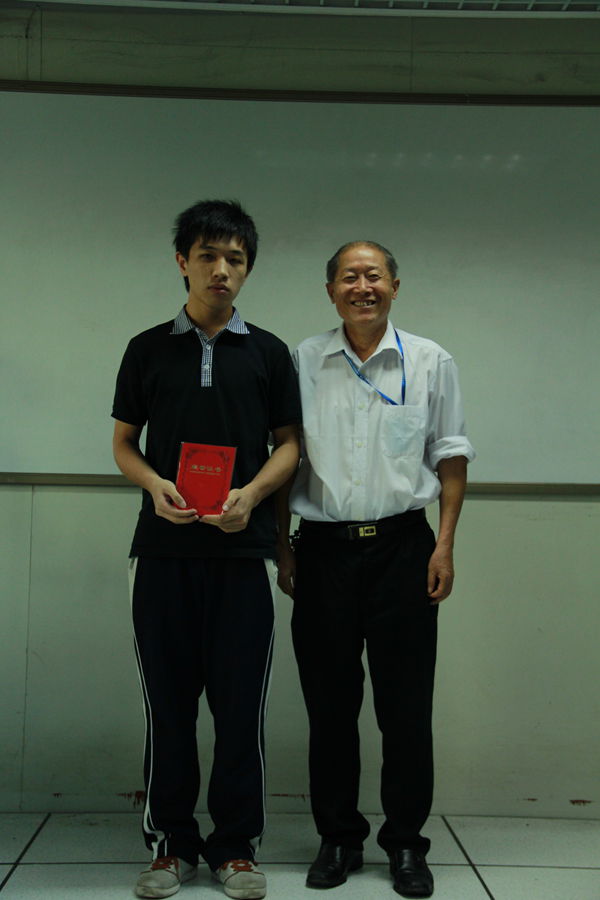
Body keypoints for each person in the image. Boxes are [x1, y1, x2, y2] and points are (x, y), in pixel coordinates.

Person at [112, 200, 301, 900]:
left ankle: (235, 848)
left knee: (240, 708)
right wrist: (155, 483)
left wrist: (250, 495)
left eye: (235, 259)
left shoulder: (270, 352)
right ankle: (171, 846)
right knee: (168, 708)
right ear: (182, 261)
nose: (222, 270)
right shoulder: (146, 349)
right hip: (162, 554)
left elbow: (290, 447)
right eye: (208, 256)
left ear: (247, 268)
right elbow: (123, 443)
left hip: (242, 555)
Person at [276, 241, 475, 899]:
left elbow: (450, 455)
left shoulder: (430, 361)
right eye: (349, 277)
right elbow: (284, 456)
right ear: (330, 290)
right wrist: (282, 547)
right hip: (323, 551)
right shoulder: (303, 360)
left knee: (406, 709)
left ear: (394, 284)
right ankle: (338, 838)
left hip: (404, 550)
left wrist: (444, 546)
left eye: (374, 276)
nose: (362, 287)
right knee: (330, 709)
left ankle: (406, 845)